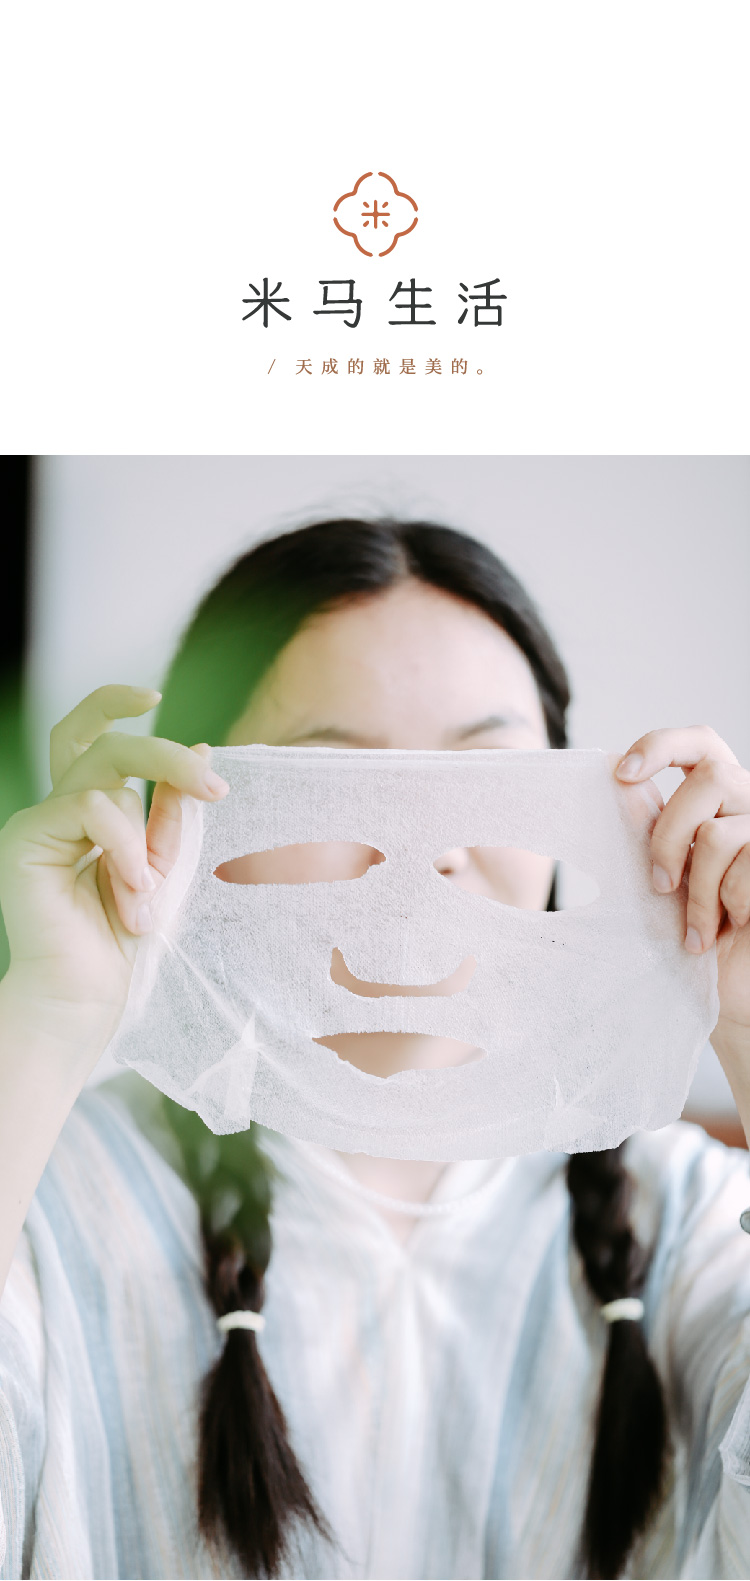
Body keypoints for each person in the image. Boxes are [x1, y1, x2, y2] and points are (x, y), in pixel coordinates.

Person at [0, 518, 749, 1581]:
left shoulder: (689, 1218)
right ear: (178, 819)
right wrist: (45, 1014)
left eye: (486, 777)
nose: (423, 855)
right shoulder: (55, 1188)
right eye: (332, 782)